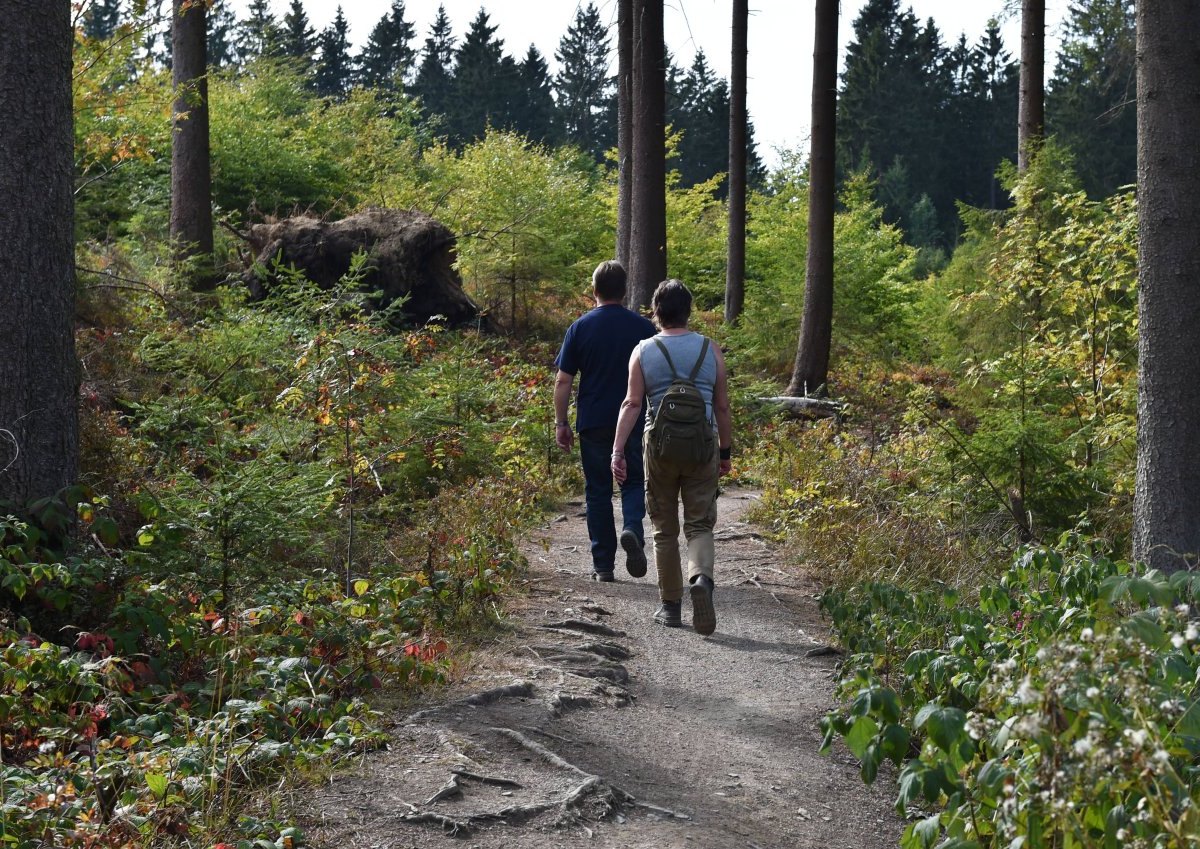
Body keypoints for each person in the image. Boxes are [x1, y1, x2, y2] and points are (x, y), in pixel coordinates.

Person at [611, 279, 732, 635]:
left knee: (664, 530)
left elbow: (632, 404)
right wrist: (725, 451)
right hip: (702, 446)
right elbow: (722, 406)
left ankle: (671, 607)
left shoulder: (643, 350)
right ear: (689, 311)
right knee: (700, 524)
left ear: (656, 312)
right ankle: (702, 580)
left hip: (659, 448)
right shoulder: (710, 350)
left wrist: (618, 451)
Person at [554, 261, 657, 581]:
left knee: (597, 490)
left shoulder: (580, 328)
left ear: (594, 290)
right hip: (634, 418)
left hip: (593, 420)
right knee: (634, 481)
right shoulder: (643, 328)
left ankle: (603, 566)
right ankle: (632, 529)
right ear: (624, 291)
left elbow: (563, 381)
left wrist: (561, 423)